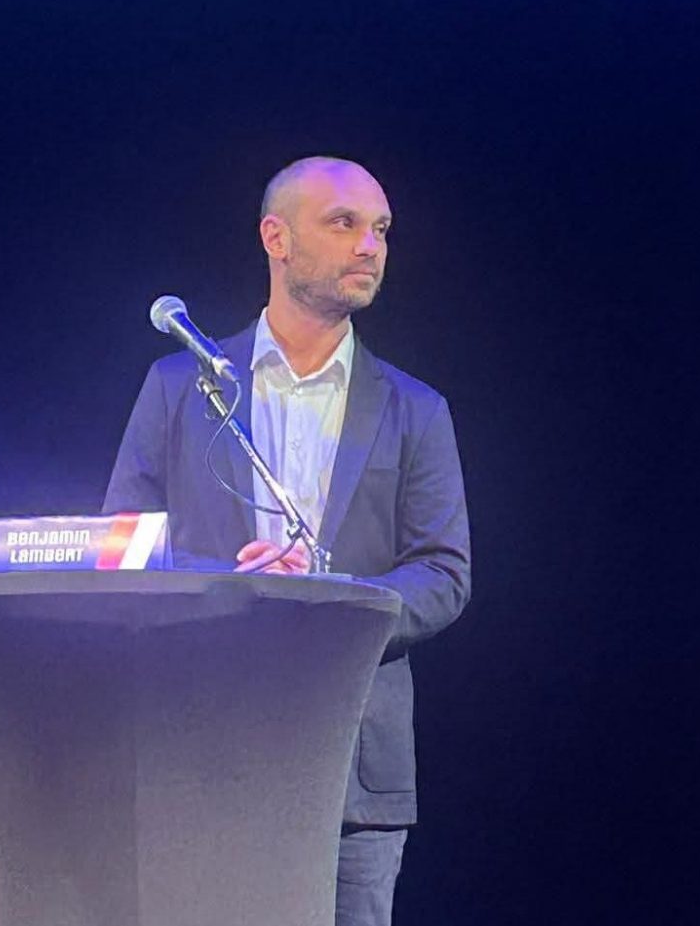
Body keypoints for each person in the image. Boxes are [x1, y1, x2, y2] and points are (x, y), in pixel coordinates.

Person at [102, 156, 471, 926]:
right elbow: (124, 547)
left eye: (381, 230)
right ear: (276, 237)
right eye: (344, 223)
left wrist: (338, 605)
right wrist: (235, 587)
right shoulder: (179, 387)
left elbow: (444, 571)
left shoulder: (416, 409)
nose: (369, 245)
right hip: (199, 753)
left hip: (353, 776)